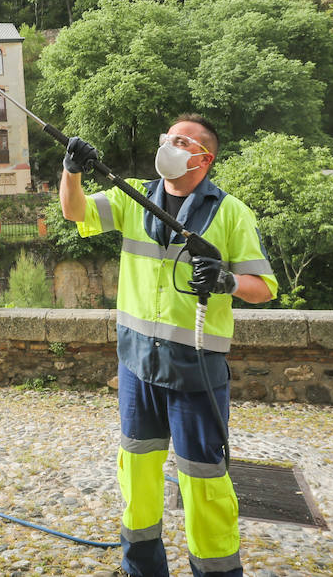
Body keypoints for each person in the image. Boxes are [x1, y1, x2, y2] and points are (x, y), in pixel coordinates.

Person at [59, 114, 277, 577]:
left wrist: (228, 280)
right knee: (136, 475)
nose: (168, 146)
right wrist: (72, 171)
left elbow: (264, 287)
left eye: (180, 140)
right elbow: (74, 212)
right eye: (165, 139)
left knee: (203, 480)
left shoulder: (231, 211)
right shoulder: (133, 196)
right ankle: (142, 569)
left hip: (195, 369)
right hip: (138, 363)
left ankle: (216, 571)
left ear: (203, 157)